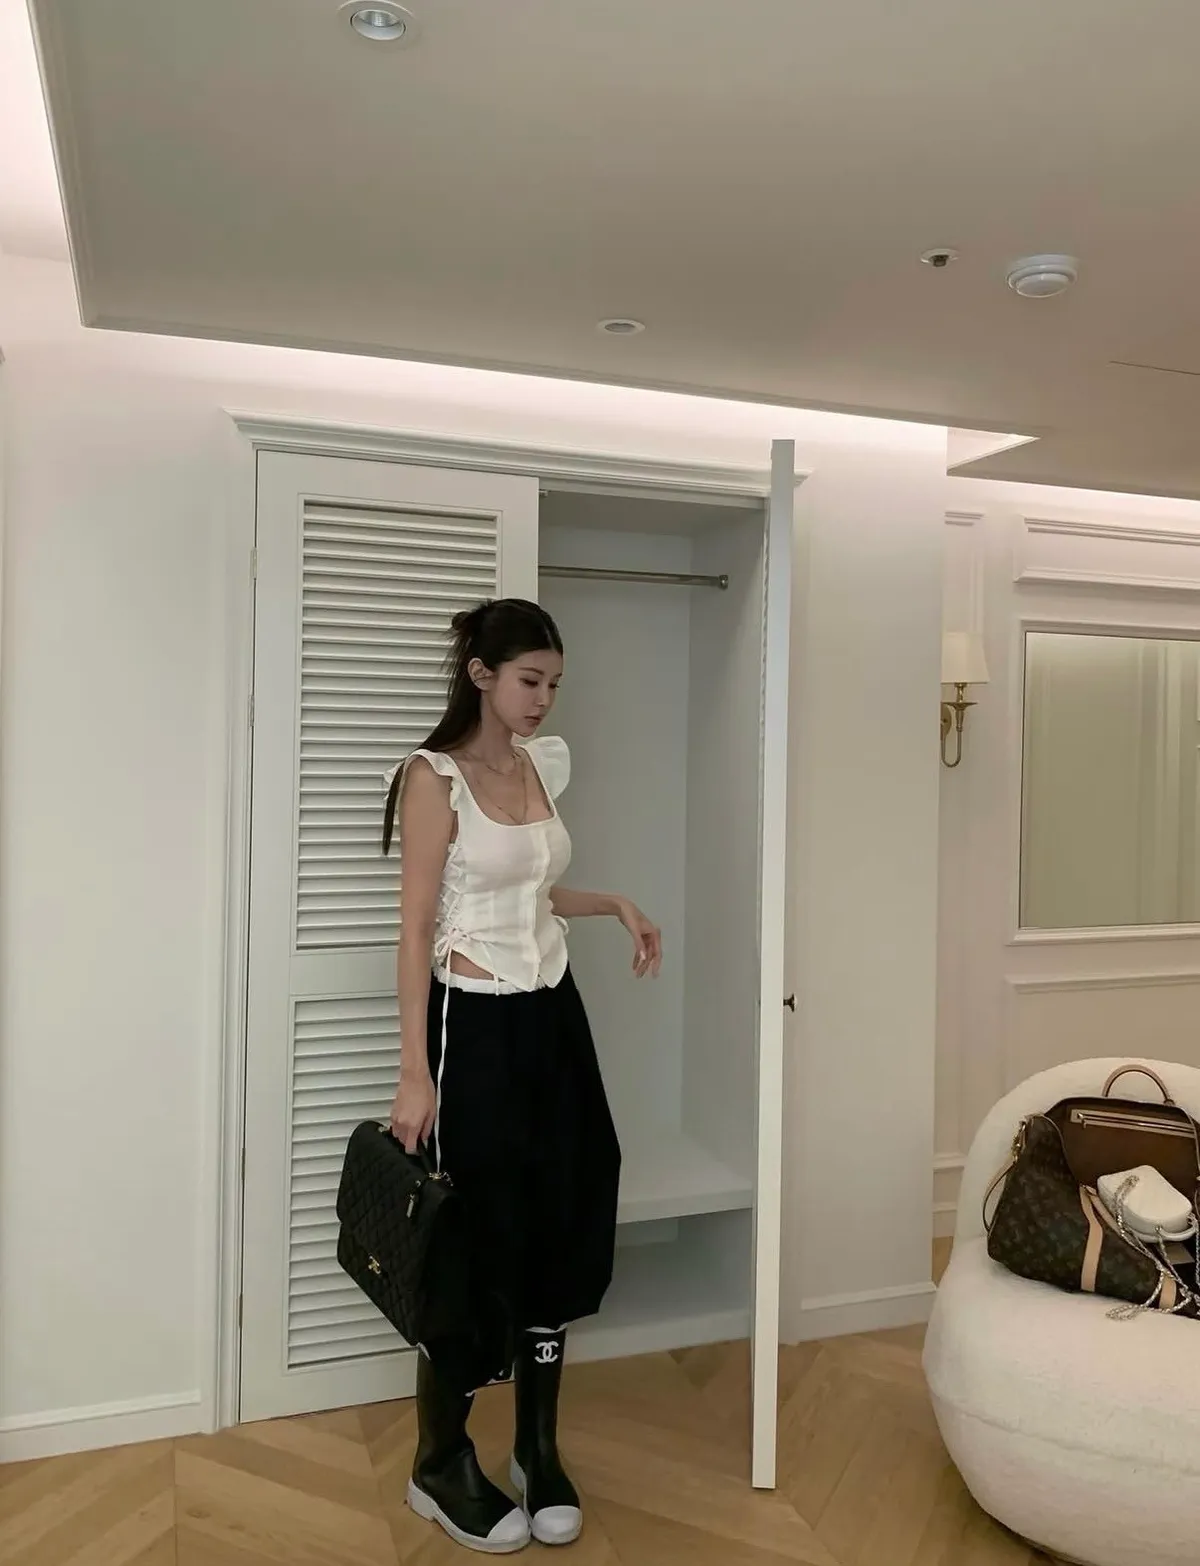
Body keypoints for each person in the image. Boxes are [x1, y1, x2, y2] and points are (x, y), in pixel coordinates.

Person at [381, 597, 662, 1554]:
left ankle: (537, 1446)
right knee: (474, 1229)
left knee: (568, 1201)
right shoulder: (434, 779)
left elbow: (529, 889)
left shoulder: (543, 764)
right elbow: (417, 927)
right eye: (530, 680)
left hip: (552, 1014)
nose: (543, 699)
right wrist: (414, 1073)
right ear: (482, 676)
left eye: (554, 683)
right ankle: (439, 1460)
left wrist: (612, 902)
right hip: (473, 1020)